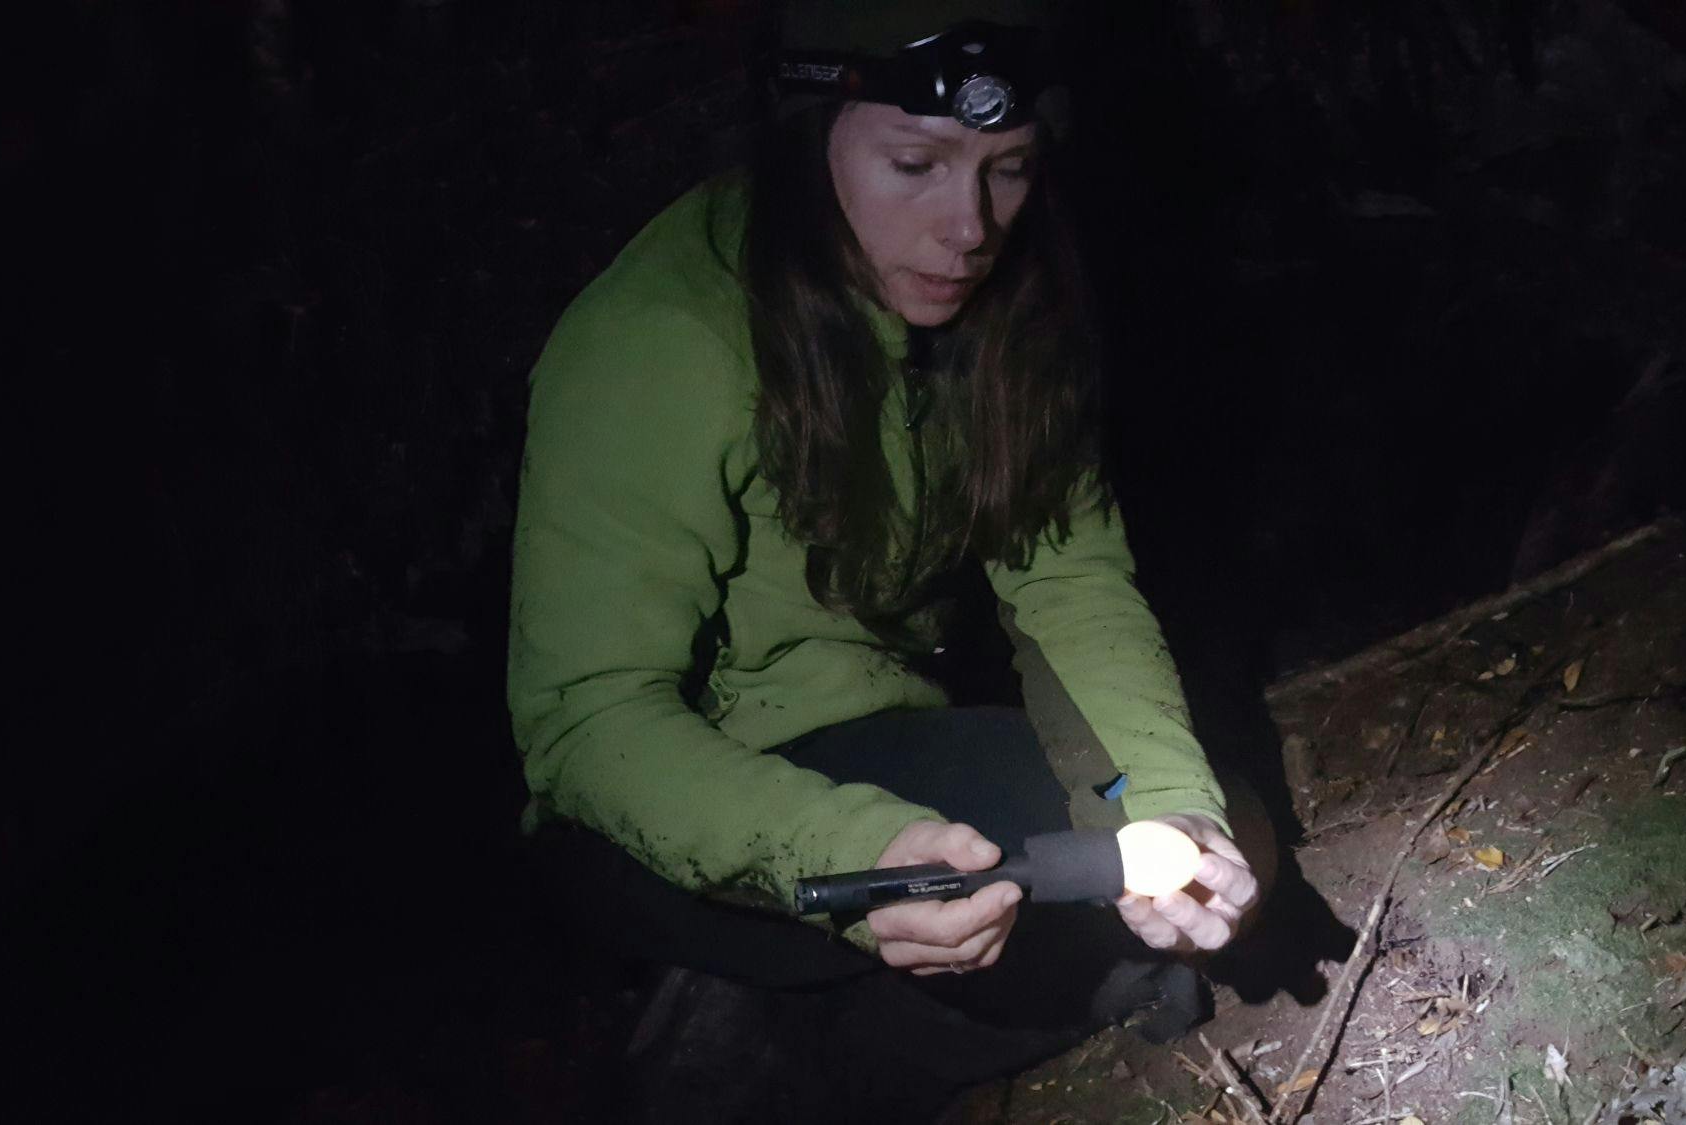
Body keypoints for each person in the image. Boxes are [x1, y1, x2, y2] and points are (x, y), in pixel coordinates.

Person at [507, 1, 1273, 1117]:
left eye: (1005, 170)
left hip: (882, 743)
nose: (968, 227)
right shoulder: (661, 338)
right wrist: (855, 855)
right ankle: (738, 1041)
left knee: (1208, 841)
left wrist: (1163, 797)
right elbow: (585, 723)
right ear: (808, 138)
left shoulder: (1004, 312)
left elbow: (1067, 583)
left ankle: (875, 997)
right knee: (1009, 913)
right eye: (914, 164)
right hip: (663, 795)